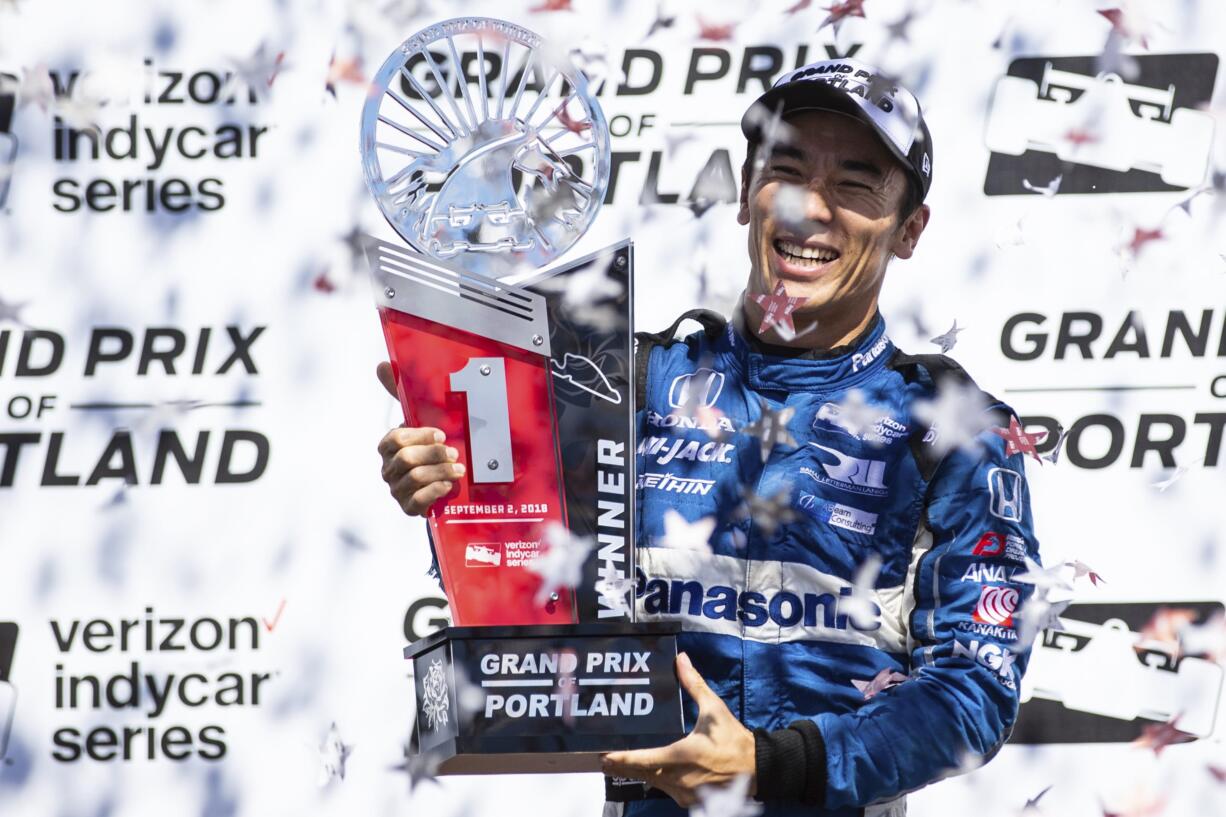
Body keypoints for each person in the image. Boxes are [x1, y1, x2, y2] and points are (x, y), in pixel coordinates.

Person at [376, 58, 1041, 817]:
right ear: (745, 194)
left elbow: (974, 694)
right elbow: (528, 590)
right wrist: (457, 480)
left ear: (909, 229)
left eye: (855, 185)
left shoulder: (958, 431)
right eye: (784, 169)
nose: (808, 208)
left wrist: (768, 765)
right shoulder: (620, 381)